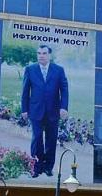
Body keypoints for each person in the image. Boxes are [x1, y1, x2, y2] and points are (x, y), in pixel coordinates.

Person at [21, 45, 69, 178]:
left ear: (49, 55)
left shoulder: (59, 70)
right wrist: (24, 109)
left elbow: (64, 90)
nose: (41, 55)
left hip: (53, 111)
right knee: (37, 138)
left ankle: (48, 167)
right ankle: (36, 167)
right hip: (35, 110)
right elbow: (25, 91)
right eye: (39, 53)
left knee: (51, 140)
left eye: (44, 53)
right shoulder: (30, 69)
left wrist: (64, 107)